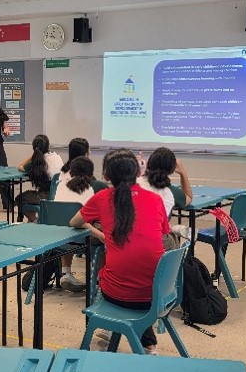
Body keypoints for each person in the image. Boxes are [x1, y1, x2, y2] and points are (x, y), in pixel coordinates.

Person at [70, 149, 170, 354]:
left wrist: (99, 233)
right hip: (159, 294)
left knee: (109, 276)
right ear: (139, 173)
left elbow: (74, 222)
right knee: (136, 278)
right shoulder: (155, 199)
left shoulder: (102, 198)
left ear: (106, 176)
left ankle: (108, 326)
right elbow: (163, 233)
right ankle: (148, 344)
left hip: (118, 296)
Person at [54, 156, 96, 292]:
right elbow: (90, 216)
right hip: (82, 237)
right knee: (102, 236)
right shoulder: (89, 188)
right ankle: (97, 277)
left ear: (70, 172)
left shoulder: (60, 185)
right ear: (91, 175)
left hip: (57, 234)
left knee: (66, 225)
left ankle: (66, 273)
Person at [138, 147, 193, 248]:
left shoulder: (135, 183)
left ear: (149, 163)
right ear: (172, 169)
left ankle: (173, 228)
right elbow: (188, 197)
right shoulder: (171, 192)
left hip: (130, 237)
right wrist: (183, 173)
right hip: (157, 241)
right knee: (172, 237)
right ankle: (174, 229)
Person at [16, 134, 63, 222]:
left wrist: (33, 155)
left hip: (45, 196)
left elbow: (20, 166)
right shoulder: (56, 156)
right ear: (48, 145)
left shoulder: (37, 161)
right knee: (29, 197)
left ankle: (36, 221)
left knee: (19, 199)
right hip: (58, 193)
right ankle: (35, 221)